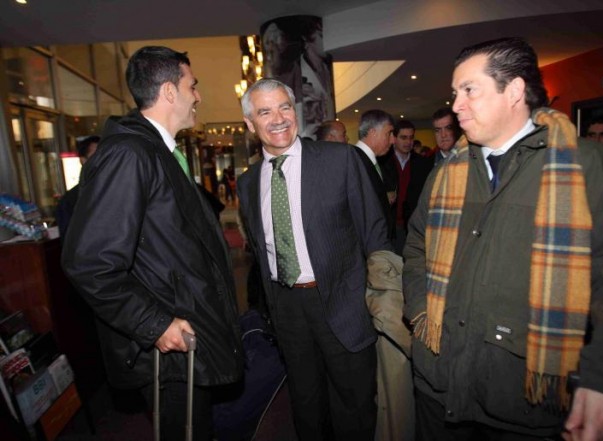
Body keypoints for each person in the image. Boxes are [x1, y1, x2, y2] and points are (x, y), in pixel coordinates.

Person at [403, 37, 603, 441]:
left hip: (524, 402)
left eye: (469, 90)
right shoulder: (446, 173)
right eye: (455, 93)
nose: (456, 106)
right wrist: (422, 311)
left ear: (514, 90)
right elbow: (416, 245)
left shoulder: (591, 167)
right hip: (439, 386)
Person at [61, 46, 243, 441]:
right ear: (169, 91)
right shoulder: (129, 154)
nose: (198, 96)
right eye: (192, 86)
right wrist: (154, 324)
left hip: (183, 331)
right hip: (166, 344)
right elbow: (89, 262)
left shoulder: (156, 151)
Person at [236, 78, 391, 441]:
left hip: (342, 301)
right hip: (286, 309)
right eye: (265, 111)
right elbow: (260, 251)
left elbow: (375, 234)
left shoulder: (341, 160)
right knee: (305, 404)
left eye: (284, 107)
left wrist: (379, 299)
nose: (278, 118)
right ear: (250, 123)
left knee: (354, 405)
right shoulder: (248, 183)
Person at [389, 120, 434, 254]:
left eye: (411, 137)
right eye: (403, 137)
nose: (408, 142)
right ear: (394, 138)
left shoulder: (423, 164)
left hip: (414, 226)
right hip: (390, 227)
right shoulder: (384, 162)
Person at [355, 109, 397, 243]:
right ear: (373, 132)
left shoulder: (369, 160)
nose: (393, 140)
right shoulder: (355, 162)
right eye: (389, 133)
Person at [55, 135, 99, 240]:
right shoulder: (70, 200)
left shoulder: (122, 189)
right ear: (83, 160)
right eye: (96, 156)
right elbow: (69, 240)